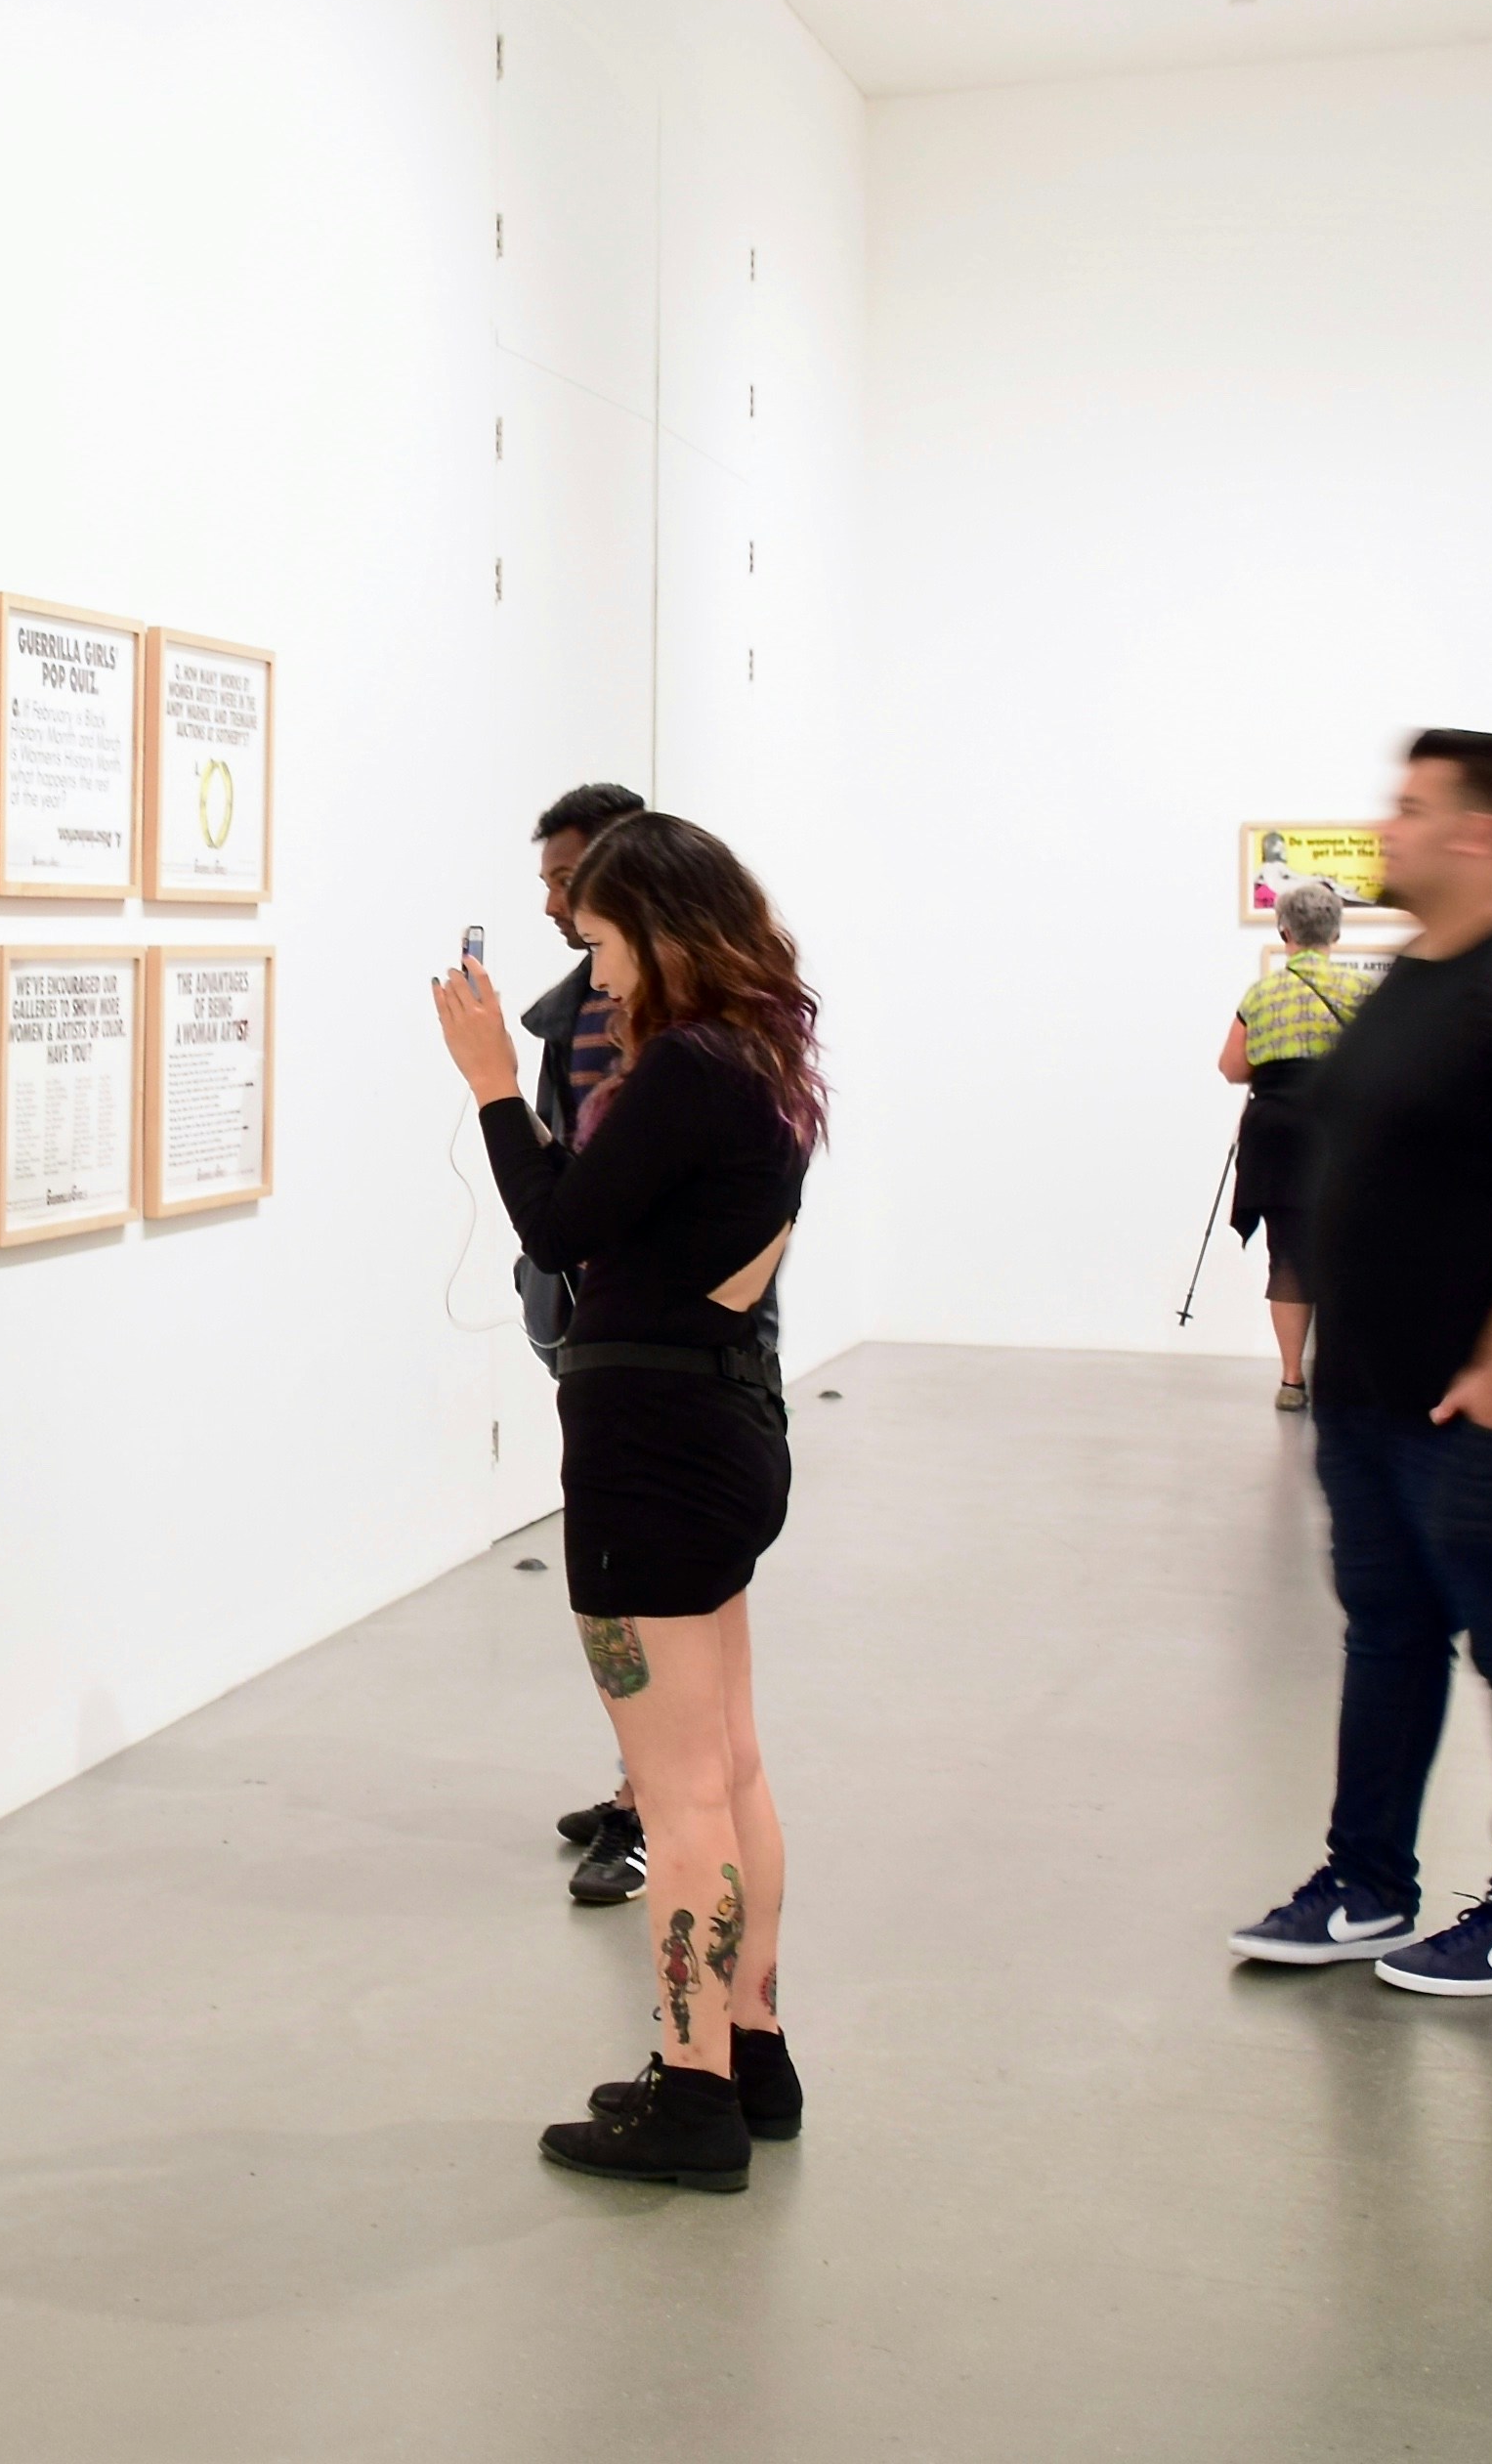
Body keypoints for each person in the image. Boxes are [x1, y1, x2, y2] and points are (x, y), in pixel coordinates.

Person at [1226, 730, 1492, 1998]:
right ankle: (1366, 1882)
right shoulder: (1409, 973)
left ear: (1480, 833)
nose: (1387, 831)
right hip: (1375, 1394)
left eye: (1409, 810)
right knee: (1389, 1638)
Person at [435, 809, 821, 2186]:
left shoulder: (689, 1074)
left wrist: (489, 1081)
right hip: (723, 1426)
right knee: (730, 1768)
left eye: (600, 945)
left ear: (662, 929)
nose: (593, 979)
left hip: (649, 1449)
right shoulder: (766, 1058)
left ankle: (690, 2085)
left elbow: (558, 1223)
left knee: (678, 1795)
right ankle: (751, 2045)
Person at [520, 780, 660, 1906]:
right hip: (600, 1337)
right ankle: (638, 1788)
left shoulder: (684, 1040)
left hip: (657, 1360)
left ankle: (655, 1804)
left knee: (640, 1596)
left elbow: (577, 1204)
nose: (553, 905)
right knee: (611, 1588)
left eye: (569, 883)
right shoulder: (573, 1011)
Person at [1221, 878, 1373, 1412]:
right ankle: (1345, 1377)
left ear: (1284, 930)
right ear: (1336, 931)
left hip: (1277, 1135)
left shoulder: (1261, 994)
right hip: (1341, 1135)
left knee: (1287, 1254)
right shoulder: (1363, 992)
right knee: (1352, 1251)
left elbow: (1232, 1067)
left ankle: (1292, 1381)